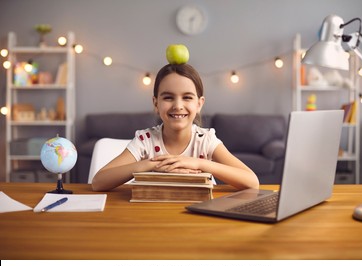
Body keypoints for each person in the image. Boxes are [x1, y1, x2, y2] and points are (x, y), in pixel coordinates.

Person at [91, 63, 259, 191]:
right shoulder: (145, 140)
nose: (178, 106)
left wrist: (198, 164)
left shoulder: (205, 140)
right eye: (168, 97)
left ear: (199, 104)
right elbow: (98, 182)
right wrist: (151, 165)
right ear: (156, 103)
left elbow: (252, 182)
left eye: (187, 97)